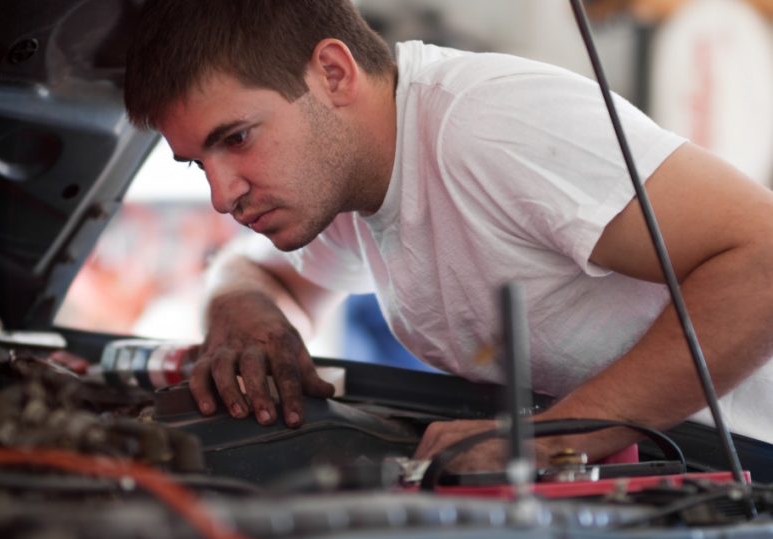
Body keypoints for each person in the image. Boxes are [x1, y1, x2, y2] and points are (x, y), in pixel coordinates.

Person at [124, 0, 773, 471]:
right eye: (197, 164)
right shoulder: (343, 182)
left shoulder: (486, 128)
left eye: (236, 139)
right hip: (658, 472)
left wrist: (550, 437)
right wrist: (241, 313)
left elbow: (764, 255)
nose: (221, 194)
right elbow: (253, 272)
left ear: (333, 73)